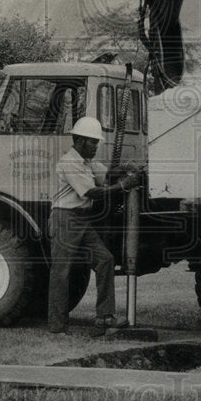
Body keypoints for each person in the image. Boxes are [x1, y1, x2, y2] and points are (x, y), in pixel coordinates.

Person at [47, 116, 141, 336]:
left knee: (105, 260)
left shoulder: (86, 162)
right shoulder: (70, 162)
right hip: (65, 219)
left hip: (80, 220)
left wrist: (127, 167)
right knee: (62, 271)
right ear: (79, 141)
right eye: (93, 142)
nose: (96, 146)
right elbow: (93, 192)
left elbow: (107, 175)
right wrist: (124, 185)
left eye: (97, 143)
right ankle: (57, 325)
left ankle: (105, 317)